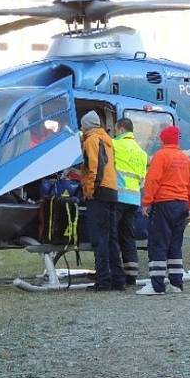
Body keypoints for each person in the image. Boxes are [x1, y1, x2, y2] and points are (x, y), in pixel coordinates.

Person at [137, 126, 190, 295]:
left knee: (158, 243)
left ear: (163, 139)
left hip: (164, 204)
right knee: (175, 244)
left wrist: (147, 202)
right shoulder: (186, 159)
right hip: (182, 205)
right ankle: (176, 284)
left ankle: (157, 285)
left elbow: (152, 180)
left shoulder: (161, 156)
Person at [79, 110, 123, 291]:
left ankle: (103, 281)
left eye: (82, 126)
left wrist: (89, 191)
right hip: (112, 191)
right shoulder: (107, 140)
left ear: (87, 125)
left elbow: (95, 168)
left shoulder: (91, 140)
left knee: (99, 239)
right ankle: (118, 280)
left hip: (99, 194)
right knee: (112, 238)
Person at [112, 117, 148, 286]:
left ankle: (114, 273)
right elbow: (142, 178)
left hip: (118, 198)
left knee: (112, 235)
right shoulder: (142, 153)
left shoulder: (114, 145)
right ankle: (131, 274)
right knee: (128, 236)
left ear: (120, 129)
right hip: (134, 200)